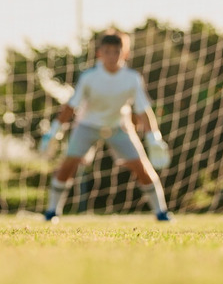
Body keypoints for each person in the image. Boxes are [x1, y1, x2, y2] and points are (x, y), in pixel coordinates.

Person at [39, 30, 172, 222]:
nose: (112, 56)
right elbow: (70, 106)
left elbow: (143, 110)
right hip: (87, 125)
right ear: (99, 53)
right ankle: (52, 211)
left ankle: (161, 212)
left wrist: (154, 137)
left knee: (141, 166)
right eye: (107, 51)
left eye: (116, 51)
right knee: (67, 165)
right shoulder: (89, 77)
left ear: (125, 53)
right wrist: (53, 132)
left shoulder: (132, 78)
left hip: (119, 127)